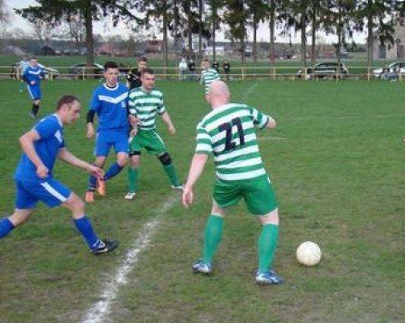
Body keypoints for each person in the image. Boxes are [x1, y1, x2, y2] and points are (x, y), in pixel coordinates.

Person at [182, 81, 283, 285]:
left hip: (227, 179)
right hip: (254, 176)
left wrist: (189, 185)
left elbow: (201, 156)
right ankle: (263, 272)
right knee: (271, 220)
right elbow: (271, 123)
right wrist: (266, 120)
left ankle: (206, 262)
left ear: (208, 98)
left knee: (217, 212)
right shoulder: (243, 109)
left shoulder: (205, 124)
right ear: (228, 95)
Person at [0, 95, 118, 255]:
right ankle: (96, 246)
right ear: (64, 108)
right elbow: (25, 139)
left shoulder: (57, 127)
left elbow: (62, 153)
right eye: (75, 112)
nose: (77, 116)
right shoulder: (51, 123)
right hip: (36, 178)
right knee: (77, 204)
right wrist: (39, 164)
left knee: (19, 217)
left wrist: (88, 167)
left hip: (24, 176)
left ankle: (96, 245)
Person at [126, 68, 183, 200]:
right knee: (134, 160)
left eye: (153, 79)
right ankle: (131, 190)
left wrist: (170, 125)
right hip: (137, 134)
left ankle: (176, 184)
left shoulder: (158, 94)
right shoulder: (133, 94)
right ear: (141, 79)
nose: (151, 82)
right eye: (148, 79)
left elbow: (162, 111)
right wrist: (134, 125)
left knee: (165, 157)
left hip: (151, 133)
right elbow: (132, 114)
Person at [84, 61, 131, 203]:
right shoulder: (98, 92)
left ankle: (103, 178)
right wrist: (90, 127)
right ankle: (90, 188)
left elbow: (130, 111)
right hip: (104, 131)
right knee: (100, 161)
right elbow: (91, 113)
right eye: (110, 73)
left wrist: (134, 122)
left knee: (123, 159)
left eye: (116, 73)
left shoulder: (124, 90)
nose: (114, 76)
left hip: (121, 131)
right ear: (105, 74)